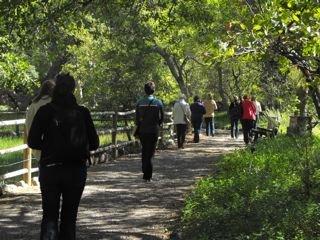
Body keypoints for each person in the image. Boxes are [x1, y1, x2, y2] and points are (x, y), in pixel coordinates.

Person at [27, 73, 99, 240]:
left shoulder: (45, 111)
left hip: (50, 169)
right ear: (73, 89)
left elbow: (33, 141)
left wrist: (51, 146)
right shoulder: (82, 112)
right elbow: (95, 143)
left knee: (50, 216)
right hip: (76, 170)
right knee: (69, 217)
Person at [135, 81, 164, 182]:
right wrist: (157, 124)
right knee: (150, 153)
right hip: (153, 130)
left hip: (143, 130)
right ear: (154, 90)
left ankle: (144, 171)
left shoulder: (139, 102)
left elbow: (137, 119)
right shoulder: (158, 102)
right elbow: (162, 118)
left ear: (144, 90)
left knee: (144, 150)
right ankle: (148, 176)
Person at [25, 79, 56, 160]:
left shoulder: (34, 104)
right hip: (55, 148)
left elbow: (28, 123)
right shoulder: (55, 103)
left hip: (38, 145)